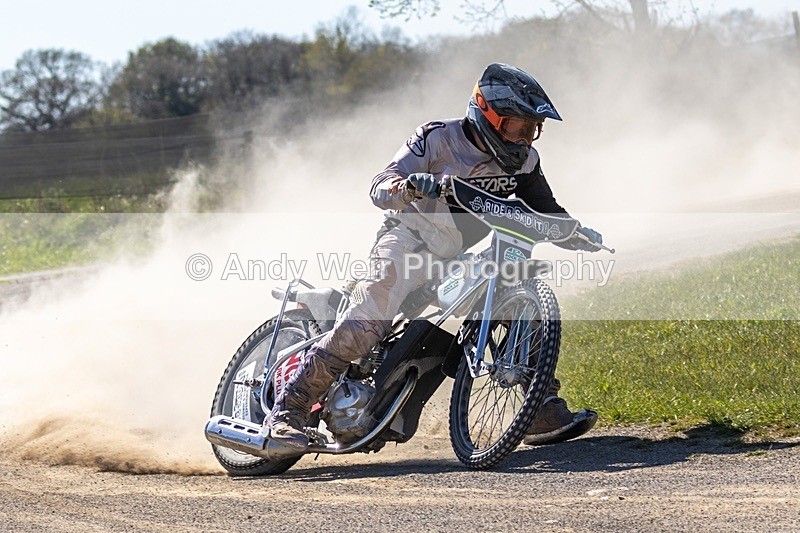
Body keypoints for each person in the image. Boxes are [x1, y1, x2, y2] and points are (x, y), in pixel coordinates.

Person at [266, 62, 602, 449]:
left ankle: (537, 407)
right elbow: (380, 184)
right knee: (366, 326)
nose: (524, 139)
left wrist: (575, 232)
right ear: (486, 113)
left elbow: (545, 211)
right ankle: (287, 412)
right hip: (406, 240)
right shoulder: (436, 137)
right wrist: (408, 186)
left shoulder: (526, 161)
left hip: (453, 258)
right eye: (515, 127)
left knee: (514, 303)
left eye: (531, 130)